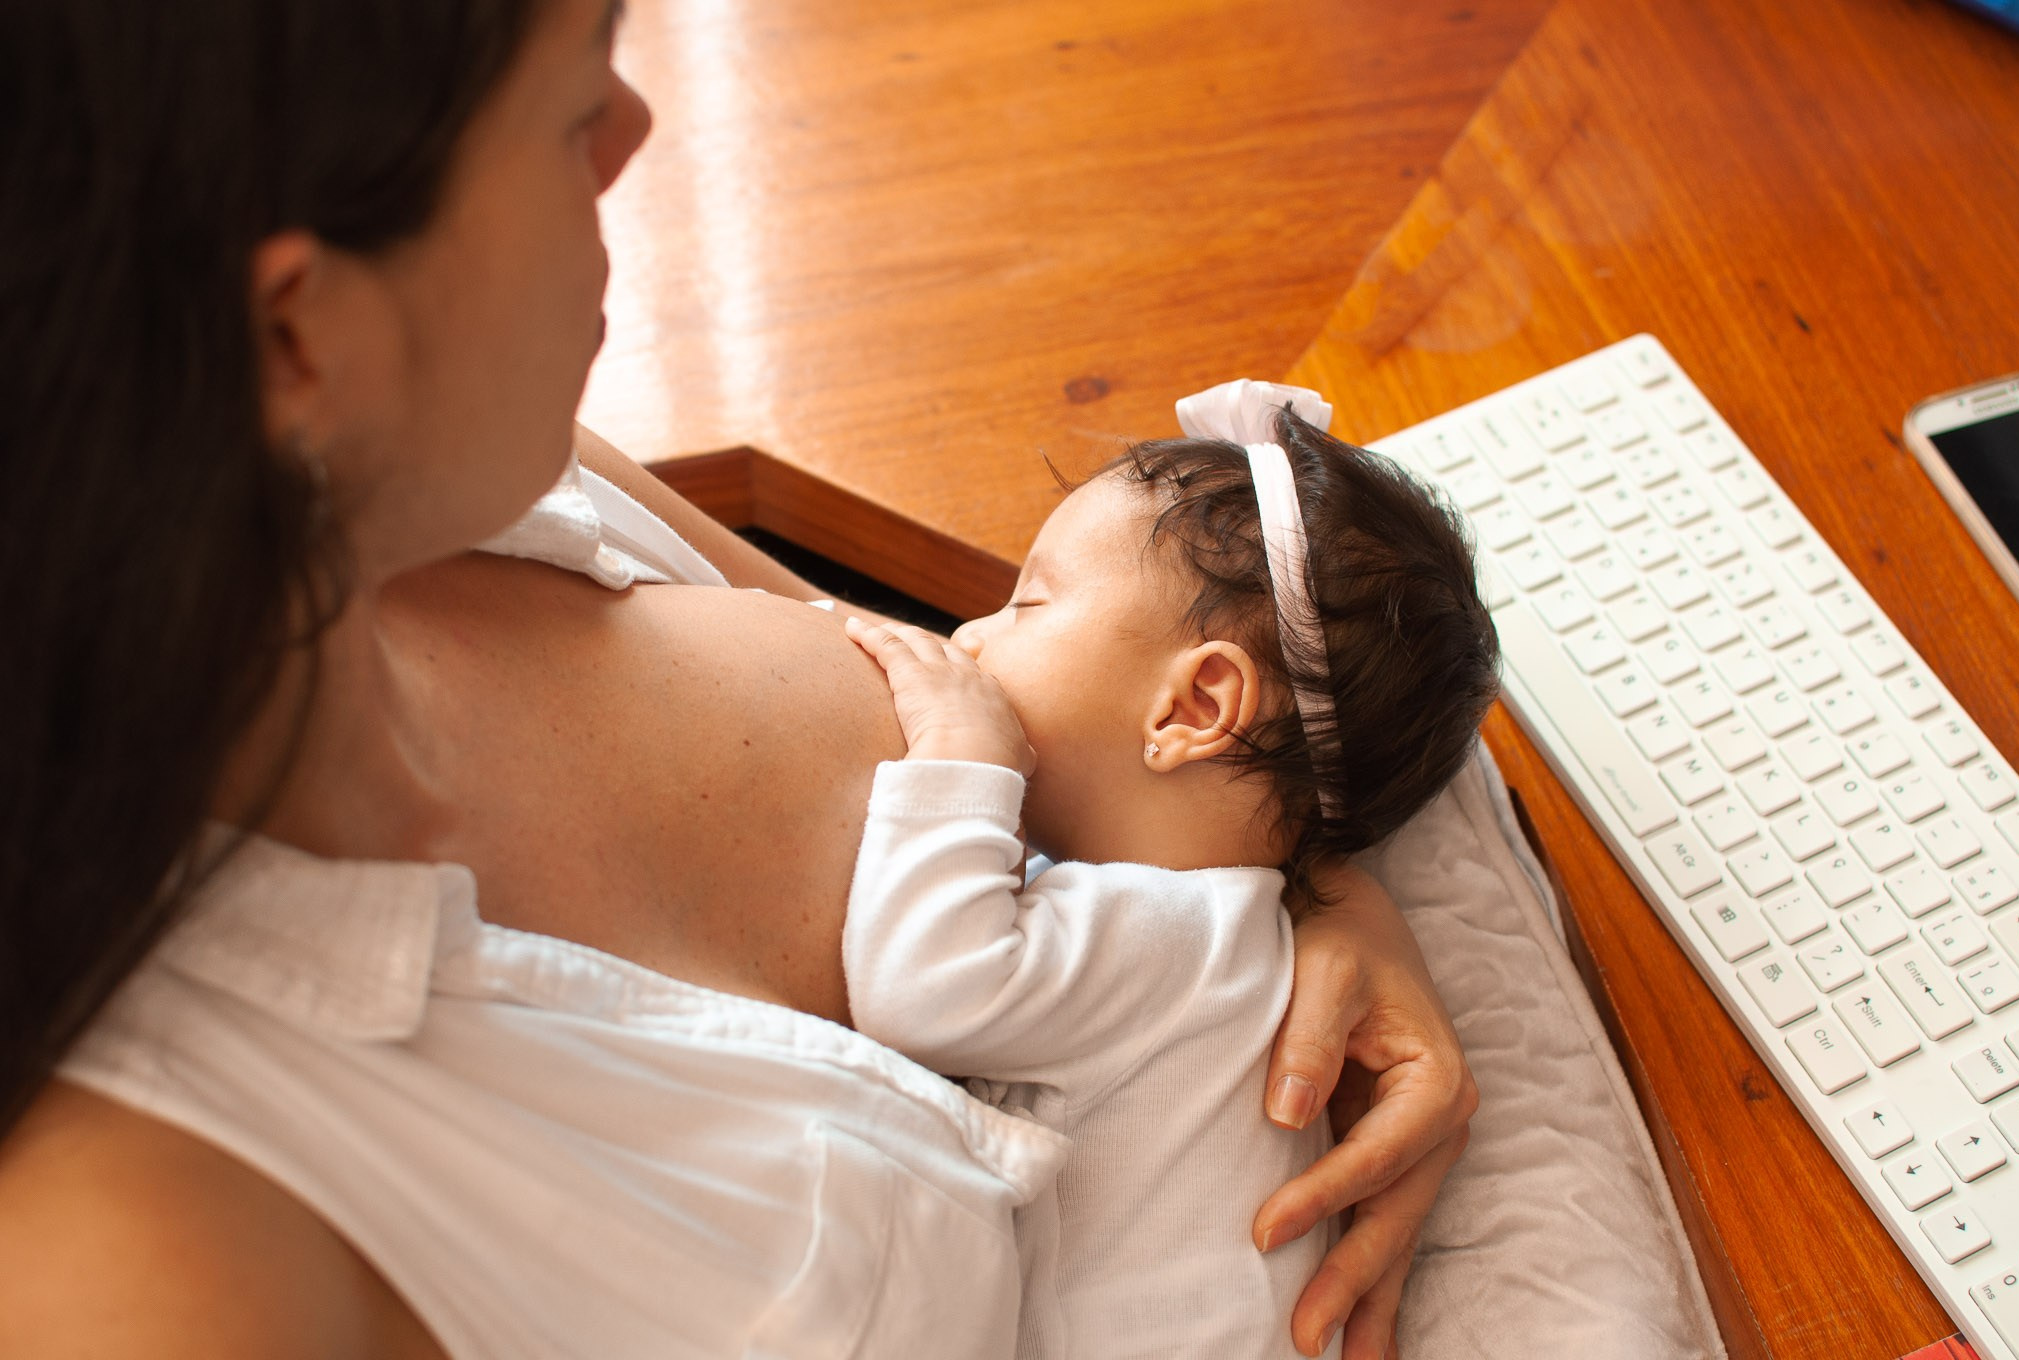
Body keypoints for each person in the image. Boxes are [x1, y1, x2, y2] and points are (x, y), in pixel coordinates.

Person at [0, 1, 1478, 1356]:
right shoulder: (158, 1261)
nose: (634, 130)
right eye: (567, 102)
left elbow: (1014, 688)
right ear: (298, 332)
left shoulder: (462, 466)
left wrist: (1290, 873)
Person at [839, 383, 1499, 1359]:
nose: (969, 636)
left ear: (1193, 708)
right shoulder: (1239, 936)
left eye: (1027, 604)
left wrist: (959, 756)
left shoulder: (1171, 933)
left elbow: (923, 991)